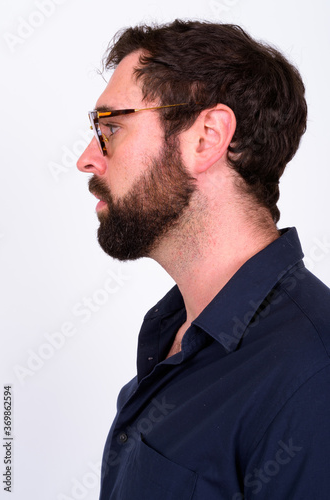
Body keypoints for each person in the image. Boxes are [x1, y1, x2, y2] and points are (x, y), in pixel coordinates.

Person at [76, 19, 330, 500]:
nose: (88, 158)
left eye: (111, 126)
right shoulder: (170, 335)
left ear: (208, 136)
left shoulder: (314, 378)